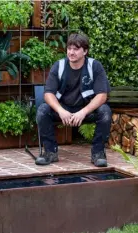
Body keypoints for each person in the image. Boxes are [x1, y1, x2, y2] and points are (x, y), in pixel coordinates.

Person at [36, 33, 112, 167]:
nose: (71, 52)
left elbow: (102, 95)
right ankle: (50, 152)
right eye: (69, 49)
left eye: (76, 49)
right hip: (63, 110)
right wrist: (60, 110)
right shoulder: (58, 66)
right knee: (43, 110)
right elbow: (48, 94)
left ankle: (98, 153)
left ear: (85, 51)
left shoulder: (95, 66)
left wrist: (83, 112)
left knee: (105, 111)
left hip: (85, 110)